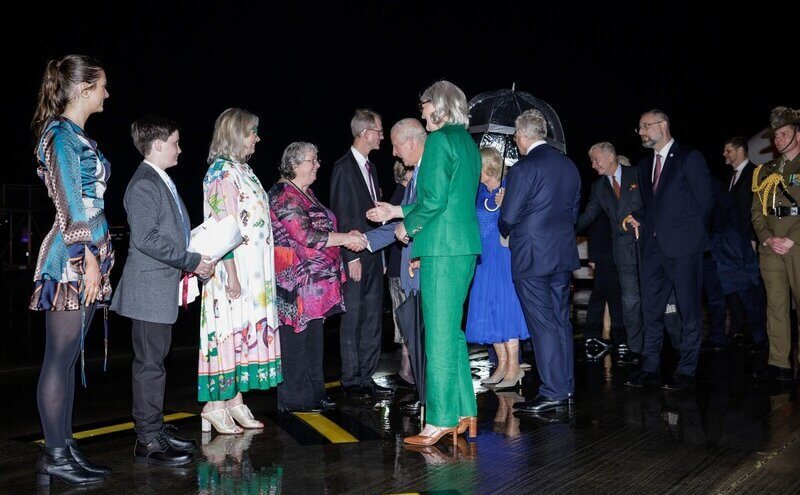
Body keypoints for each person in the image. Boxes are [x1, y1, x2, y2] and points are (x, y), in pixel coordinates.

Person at [368, 81, 482, 444]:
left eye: (425, 105)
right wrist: (403, 211)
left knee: (438, 336)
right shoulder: (467, 142)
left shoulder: (437, 142)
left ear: (441, 105)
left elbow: (431, 202)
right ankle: (465, 412)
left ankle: (440, 419)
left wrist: (406, 228)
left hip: (442, 249)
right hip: (462, 247)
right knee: (454, 333)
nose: (421, 110)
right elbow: (447, 199)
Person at [30, 54, 114, 486]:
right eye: (101, 86)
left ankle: (62, 447)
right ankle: (56, 454)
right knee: (58, 360)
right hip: (70, 261)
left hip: (87, 258)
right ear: (83, 89)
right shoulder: (60, 135)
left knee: (65, 362)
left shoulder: (76, 135)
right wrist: (88, 259)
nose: (106, 93)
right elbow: (69, 204)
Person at [111, 115, 213, 466]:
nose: (179, 148)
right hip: (148, 291)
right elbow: (147, 239)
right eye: (175, 142)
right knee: (150, 366)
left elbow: (168, 233)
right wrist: (191, 260)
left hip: (159, 290)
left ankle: (154, 427)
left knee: (156, 363)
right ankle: (148, 440)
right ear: (157, 146)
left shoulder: (158, 180)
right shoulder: (144, 184)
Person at [199, 108, 282, 432]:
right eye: (252, 132)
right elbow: (223, 226)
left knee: (243, 332)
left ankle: (233, 400)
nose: (257, 139)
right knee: (230, 330)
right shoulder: (221, 173)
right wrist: (231, 270)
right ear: (236, 134)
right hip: (232, 270)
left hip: (253, 273)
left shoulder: (242, 170)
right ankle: (214, 404)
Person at [269, 142, 367, 412]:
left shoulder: (307, 193)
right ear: (296, 165)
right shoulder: (283, 194)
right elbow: (306, 235)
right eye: (313, 160)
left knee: (313, 339)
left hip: (317, 284)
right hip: (295, 282)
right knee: (295, 340)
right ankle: (293, 399)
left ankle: (315, 393)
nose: (318, 164)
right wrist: (347, 239)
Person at [623, 109, 713, 392]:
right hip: (653, 249)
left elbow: (706, 203)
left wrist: (692, 240)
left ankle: (686, 370)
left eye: (645, 126)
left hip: (684, 250)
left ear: (663, 125)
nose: (641, 132)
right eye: (639, 128)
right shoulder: (644, 165)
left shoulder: (689, 158)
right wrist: (638, 214)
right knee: (651, 310)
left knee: (688, 311)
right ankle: (651, 367)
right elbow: (654, 205)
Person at [499, 109, 581, 414]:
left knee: (543, 324)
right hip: (562, 254)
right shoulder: (569, 166)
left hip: (532, 256)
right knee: (560, 320)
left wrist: (507, 225)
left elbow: (507, 217)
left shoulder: (523, 169)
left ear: (522, 135)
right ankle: (566, 385)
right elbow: (573, 214)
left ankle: (552, 392)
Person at [329, 109, 393, 398]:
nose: (381, 135)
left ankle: (366, 376)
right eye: (379, 130)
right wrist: (349, 257)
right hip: (354, 255)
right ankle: (351, 380)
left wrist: (378, 256)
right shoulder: (343, 168)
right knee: (354, 317)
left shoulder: (371, 167)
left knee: (372, 317)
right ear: (366, 132)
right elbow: (341, 215)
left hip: (373, 253)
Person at [575, 142, 644, 365]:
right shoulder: (598, 187)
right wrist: (563, 227)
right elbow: (588, 217)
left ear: (611, 156)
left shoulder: (638, 173)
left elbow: (653, 203)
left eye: (596, 160)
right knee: (629, 300)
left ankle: (663, 345)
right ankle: (634, 348)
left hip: (647, 249)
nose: (593, 165)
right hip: (621, 254)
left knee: (654, 298)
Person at [466, 147, 529, 388]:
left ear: (487, 166)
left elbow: (523, 219)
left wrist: (508, 203)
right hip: (483, 258)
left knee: (506, 310)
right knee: (490, 311)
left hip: (503, 255)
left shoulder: (509, 186)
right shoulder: (478, 191)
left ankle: (514, 368)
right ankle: (502, 365)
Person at [751, 106, 800, 383]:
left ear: (797, 133)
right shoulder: (765, 170)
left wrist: (792, 238)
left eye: (784, 133)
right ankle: (779, 363)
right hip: (772, 248)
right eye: (776, 135)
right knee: (776, 306)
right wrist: (767, 238)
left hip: (798, 245)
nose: (779, 139)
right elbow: (757, 212)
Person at [719, 136, 767, 350]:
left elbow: (759, 209)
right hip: (731, 243)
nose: (724, 155)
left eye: (728, 150)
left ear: (740, 150)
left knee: (752, 289)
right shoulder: (730, 176)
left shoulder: (756, 173)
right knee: (734, 287)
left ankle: (759, 335)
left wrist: (754, 239)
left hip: (748, 241)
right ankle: (739, 330)